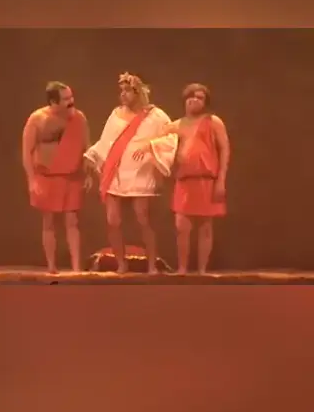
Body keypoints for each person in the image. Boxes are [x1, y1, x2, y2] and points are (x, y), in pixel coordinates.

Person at [84, 72, 177, 274]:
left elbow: (171, 138)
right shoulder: (116, 114)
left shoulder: (156, 116)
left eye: (128, 90)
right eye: (121, 91)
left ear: (138, 92)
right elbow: (106, 141)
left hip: (140, 173)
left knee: (144, 220)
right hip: (115, 173)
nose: (123, 95)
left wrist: (151, 145)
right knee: (113, 221)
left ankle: (152, 265)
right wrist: (92, 157)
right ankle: (121, 264)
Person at [133, 83, 230, 275]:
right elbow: (158, 144)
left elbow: (225, 150)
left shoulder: (213, 122)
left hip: (206, 180)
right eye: (191, 97)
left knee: (205, 226)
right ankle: (182, 269)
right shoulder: (175, 126)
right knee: (181, 226)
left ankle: (202, 271)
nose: (194, 100)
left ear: (205, 102)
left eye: (199, 97)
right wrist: (147, 146)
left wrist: (221, 181)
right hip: (184, 180)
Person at [22, 81, 91, 274]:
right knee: (49, 221)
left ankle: (76, 267)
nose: (71, 101)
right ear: (53, 102)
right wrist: (31, 180)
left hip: (72, 176)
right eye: (66, 99)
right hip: (46, 176)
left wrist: (88, 173)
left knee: (72, 221)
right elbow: (27, 152)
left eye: (71, 97)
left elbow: (87, 148)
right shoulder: (37, 119)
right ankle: (51, 266)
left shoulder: (79, 118)